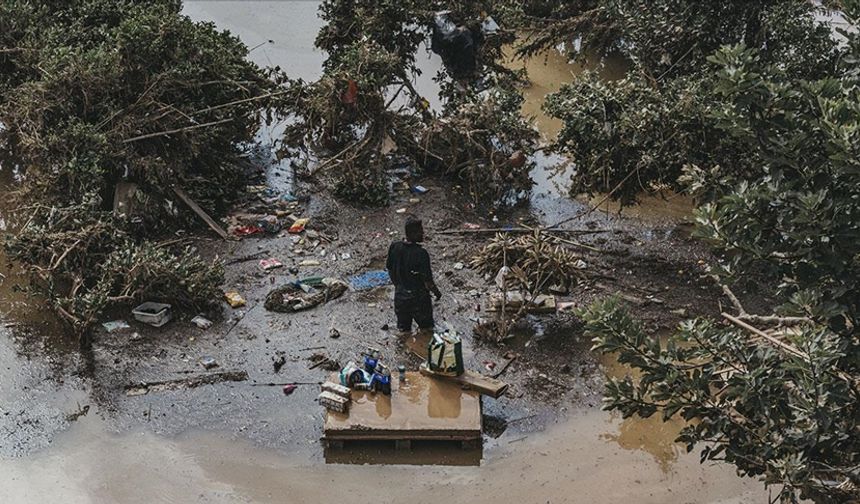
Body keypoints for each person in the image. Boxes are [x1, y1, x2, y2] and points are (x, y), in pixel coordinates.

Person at [386, 216, 442, 334]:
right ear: (411, 233)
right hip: (419, 300)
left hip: (400, 298)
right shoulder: (421, 254)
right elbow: (428, 281)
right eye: (419, 231)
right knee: (427, 330)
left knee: (404, 331)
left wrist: (399, 286)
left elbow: (390, 269)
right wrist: (437, 293)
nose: (423, 233)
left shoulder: (395, 247)